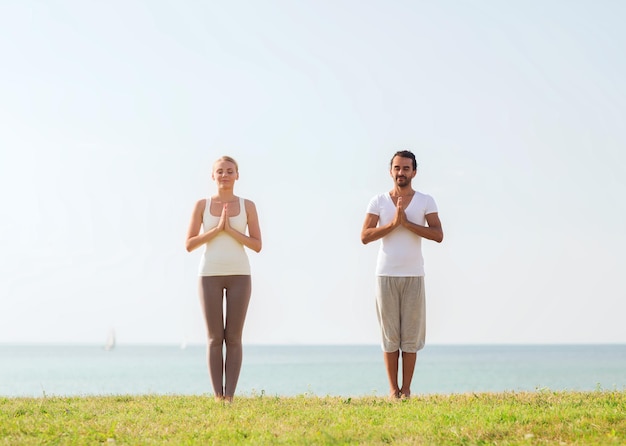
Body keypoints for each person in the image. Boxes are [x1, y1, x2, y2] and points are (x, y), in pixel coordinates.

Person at [360, 150, 443, 399]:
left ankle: (406, 390)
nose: (401, 173)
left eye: (406, 168)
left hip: (414, 276)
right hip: (385, 275)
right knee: (390, 335)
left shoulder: (425, 201)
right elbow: (365, 236)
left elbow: (438, 234)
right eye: (397, 168)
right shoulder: (378, 201)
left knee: (410, 335)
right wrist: (393, 224)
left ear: (414, 172)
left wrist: (407, 224)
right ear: (390, 171)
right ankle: (393, 390)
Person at [185, 155, 262, 402]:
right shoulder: (201, 205)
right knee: (214, 338)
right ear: (213, 176)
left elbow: (257, 245)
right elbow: (189, 244)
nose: (225, 176)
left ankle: (229, 396)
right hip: (209, 274)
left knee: (234, 338)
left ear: (237, 175)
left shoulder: (248, 205)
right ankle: (218, 396)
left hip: (240, 274)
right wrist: (217, 230)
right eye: (220, 171)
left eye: (230, 171)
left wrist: (231, 230)